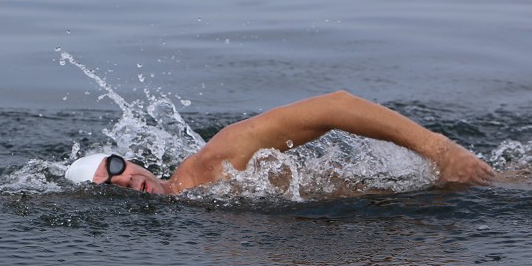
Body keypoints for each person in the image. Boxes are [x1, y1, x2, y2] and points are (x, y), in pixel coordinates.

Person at [64, 90, 495, 194]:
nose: (120, 182)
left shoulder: (211, 165)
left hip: (437, 184)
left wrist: (442, 152)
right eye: (105, 187)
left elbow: (336, 105)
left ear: (132, 161)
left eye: (115, 167)